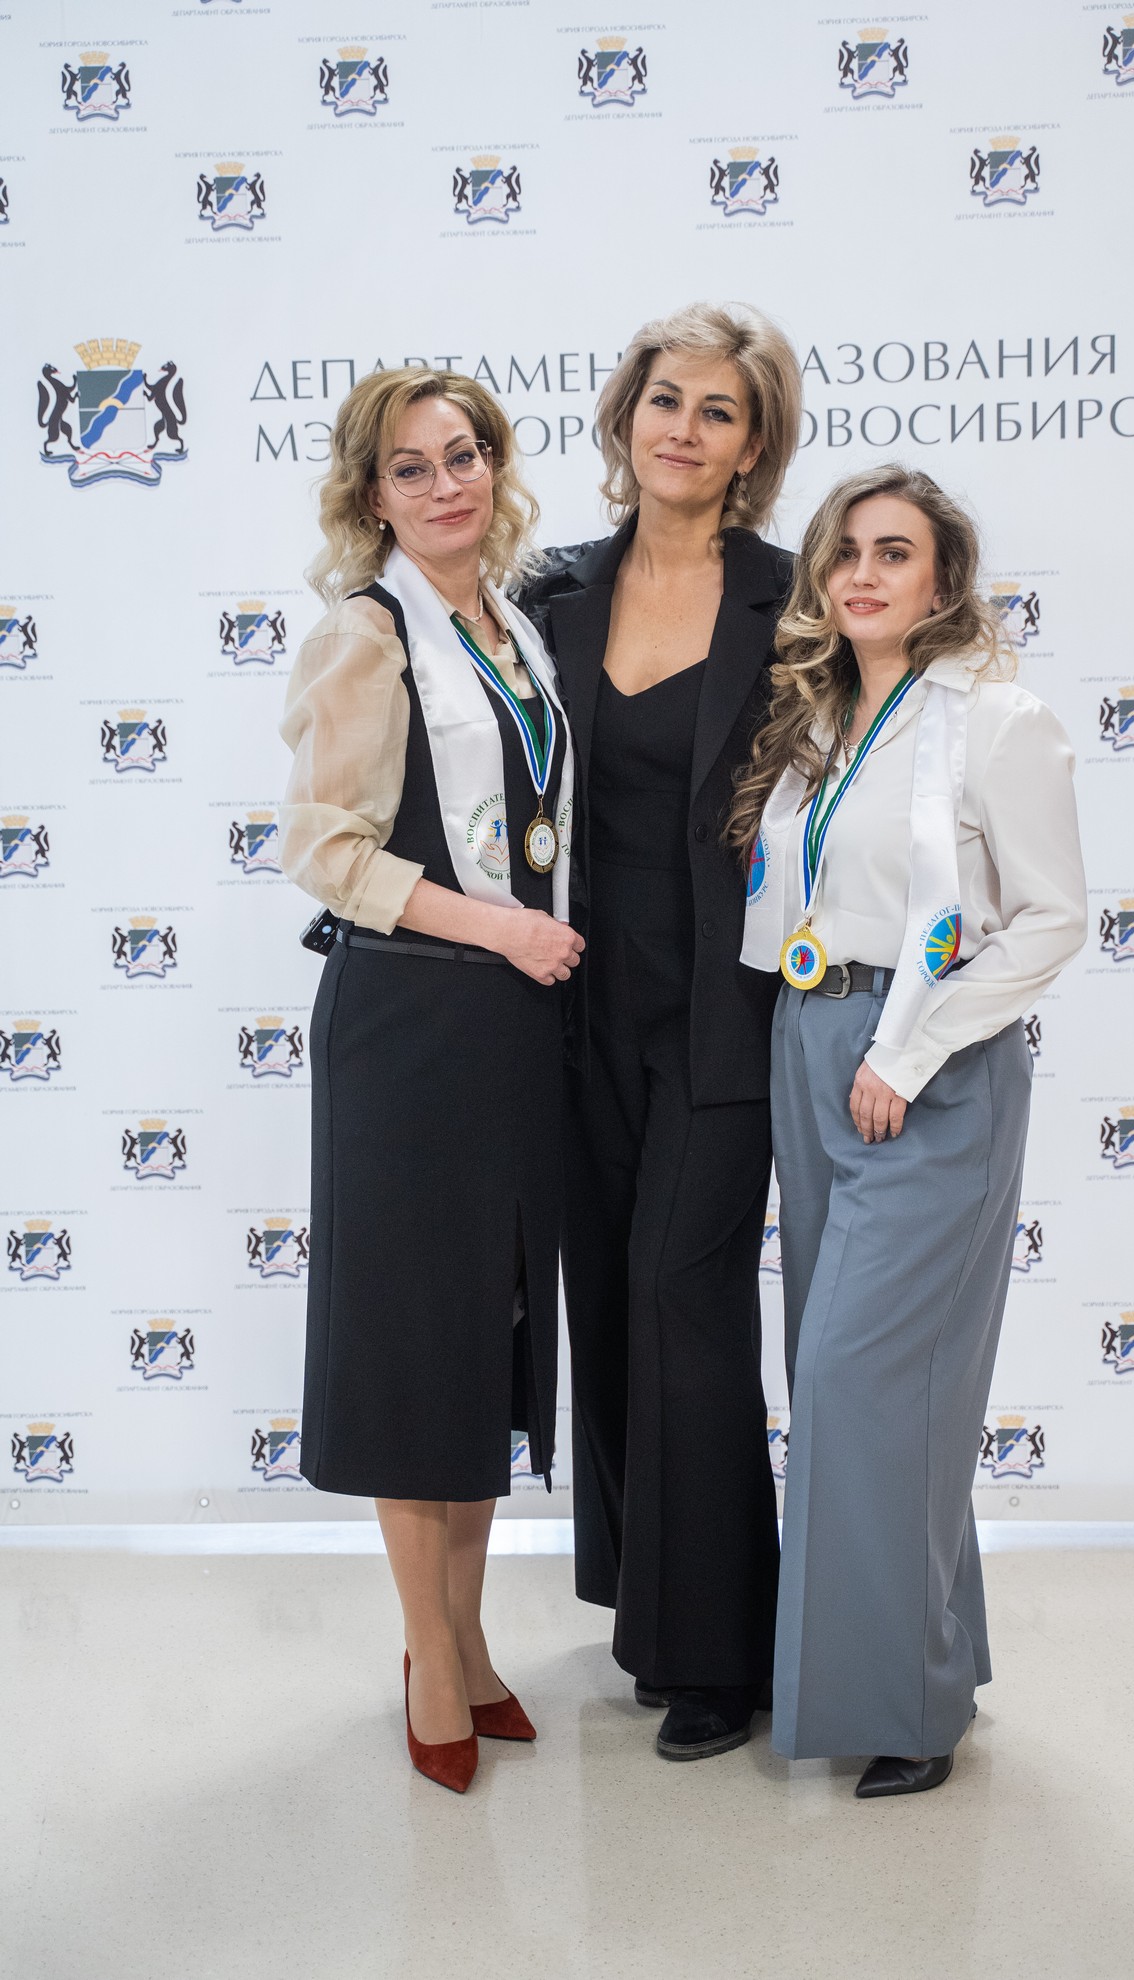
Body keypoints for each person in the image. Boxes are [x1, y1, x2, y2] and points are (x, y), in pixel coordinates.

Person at [731, 465, 1087, 1797]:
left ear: (944, 577)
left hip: (926, 1065)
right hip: (812, 1044)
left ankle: (903, 1710)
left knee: (859, 1382)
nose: (864, 574)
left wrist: (908, 1047)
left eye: (895, 552)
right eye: (845, 552)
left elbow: (1051, 921)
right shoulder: (820, 721)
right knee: (876, 1389)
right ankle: (936, 1657)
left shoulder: (997, 720)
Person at [279, 369, 582, 1794]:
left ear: (495, 466)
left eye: (464, 455)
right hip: (409, 1030)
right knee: (415, 1355)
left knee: (484, 1347)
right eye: (412, 468)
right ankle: (430, 1658)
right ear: (373, 495)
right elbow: (327, 850)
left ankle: (460, 1641)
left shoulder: (513, 625)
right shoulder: (367, 631)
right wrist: (502, 930)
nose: (447, 484)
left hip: (512, 1034)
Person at [519, 302, 801, 1761]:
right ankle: (648, 1605)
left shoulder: (794, 598)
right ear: (627, 414)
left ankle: (718, 1652)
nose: (683, 430)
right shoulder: (548, 590)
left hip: (726, 1008)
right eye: (665, 400)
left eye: (719, 411)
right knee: (610, 1306)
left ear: (755, 447)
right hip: (570, 1006)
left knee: (686, 1302)